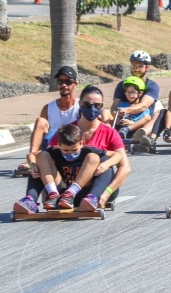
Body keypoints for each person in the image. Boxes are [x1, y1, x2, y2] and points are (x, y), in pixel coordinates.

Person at [13, 86, 132, 214]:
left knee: (102, 161)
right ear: (80, 104)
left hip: (92, 188)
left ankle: (92, 197)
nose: (92, 109)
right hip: (63, 188)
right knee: (39, 163)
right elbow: (45, 159)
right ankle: (31, 199)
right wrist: (35, 169)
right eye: (87, 104)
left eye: (97, 105)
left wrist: (107, 192)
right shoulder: (68, 131)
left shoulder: (110, 133)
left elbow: (124, 166)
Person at [15, 124, 123, 213]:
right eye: (66, 151)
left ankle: (92, 197)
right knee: (41, 158)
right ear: (59, 145)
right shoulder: (54, 151)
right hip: (62, 194)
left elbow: (117, 155)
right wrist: (33, 164)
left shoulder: (88, 150)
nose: (70, 153)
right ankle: (32, 199)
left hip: (82, 192)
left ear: (81, 143)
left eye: (74, 150)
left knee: (99, 159)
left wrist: (106, 164)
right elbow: (31, 155)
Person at [19, 66, 80, 174]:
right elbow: (42, 132)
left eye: (68, 82)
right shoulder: (48, 108)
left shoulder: (81, 106)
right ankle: (32, 159)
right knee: (40, 121)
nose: (63, 85)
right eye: (60, 81)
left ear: (75, 84)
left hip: (73, 143)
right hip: (52, 144)